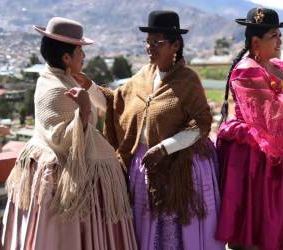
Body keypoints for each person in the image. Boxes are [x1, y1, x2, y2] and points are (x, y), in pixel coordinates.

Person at [75, 10, 224, 250]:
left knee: (180, 234)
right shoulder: (143, 77)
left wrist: (165, 148)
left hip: (181, 169)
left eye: (157, 42)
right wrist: (89, 86)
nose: (149, 47)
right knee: (148, 231)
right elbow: (117, 104)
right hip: (146, 169)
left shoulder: (187, 80)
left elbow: (201, 124)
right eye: (148, 41)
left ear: (175, 45)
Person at [1, 17, 137, 250]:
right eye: (80, 52)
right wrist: (84, 109)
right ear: (66, 57)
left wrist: (88, 88)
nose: (83, 57)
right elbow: (66, 141)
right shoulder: (58, 90)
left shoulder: (52, 78)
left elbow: (107, 105)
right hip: (67, 191)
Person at [215, 7, 283, 250]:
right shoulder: (246, 71)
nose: (280, 40)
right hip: (255, 156)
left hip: (278, 150)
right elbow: (270, 115)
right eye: (274, 35)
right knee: (255, 223)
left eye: (279, 34)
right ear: (256, 41)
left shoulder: (275, 65)